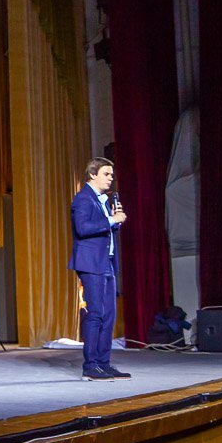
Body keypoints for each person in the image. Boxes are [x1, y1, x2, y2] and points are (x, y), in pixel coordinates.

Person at [69, 156, 132, 381]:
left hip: (106, 263)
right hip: (91, 263)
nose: (110, 178)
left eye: (112, 175)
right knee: (95, 314)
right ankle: (90, 365)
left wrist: (115, 220)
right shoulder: (83, 199)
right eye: (106, 174)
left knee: (109, 316)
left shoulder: (104, 200)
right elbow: (82, 228)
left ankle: (103, 363)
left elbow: (105, 232)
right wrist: (111, 220)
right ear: (93, 175)